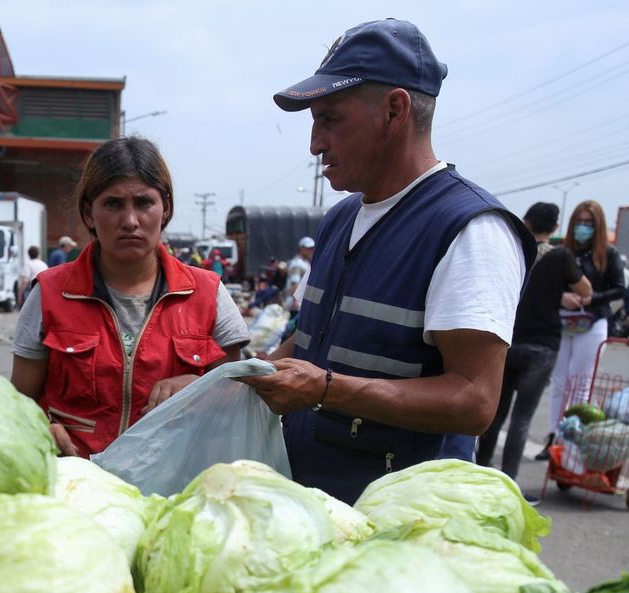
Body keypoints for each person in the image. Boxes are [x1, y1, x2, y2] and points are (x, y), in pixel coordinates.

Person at [242, 19, 536, 503]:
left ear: (395, 111)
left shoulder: (468, 229)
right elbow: (312, 338)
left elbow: (474, 399)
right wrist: (240, 381)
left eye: (330, 119)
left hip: (404, 523)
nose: (315, 144)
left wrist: (326, 389)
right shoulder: (339, 219)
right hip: (316, 503)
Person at [11, 137, 250, 458]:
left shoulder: (209, 293)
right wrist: (38, 426)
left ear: (165, 208)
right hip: (74, 484)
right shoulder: (49, 292)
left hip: (175, 485)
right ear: (88, 212)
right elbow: (17, 401)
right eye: (113, 204)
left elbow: (240, 394)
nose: (130, 221)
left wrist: (199, 388)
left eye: (143, 202)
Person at [478, 202, 591, 503]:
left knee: (495, 413)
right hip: (542, 348)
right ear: (555, 228)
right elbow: (586, 292)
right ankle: (509, 487)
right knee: (522, 420)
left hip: (508, 342)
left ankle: (479, 475)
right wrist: (562, 295)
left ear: (525, 222)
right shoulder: (561, 256)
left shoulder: (515, 251)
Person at [546, 200, 624, 431]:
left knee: (581, 382)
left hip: (593, 321)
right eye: (579, 221)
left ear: (597, 224)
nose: (583, 226)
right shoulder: (563, 252)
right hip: (563, 321)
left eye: (588, 222)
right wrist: (561, 297)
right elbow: (549, 284)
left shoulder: (608, 254)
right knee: (559, 383)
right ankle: (553, 433)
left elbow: (620, 288)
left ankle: (572, 432)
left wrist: (592, 298)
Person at [286, 236, 314, 301]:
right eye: (309, 248)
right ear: (301, 249)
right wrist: (295, 301)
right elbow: (294, 283)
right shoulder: (297, 263)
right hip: (297, 303)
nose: (311, 250)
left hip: (302, 301)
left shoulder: (306, 262)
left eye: (312, 248)